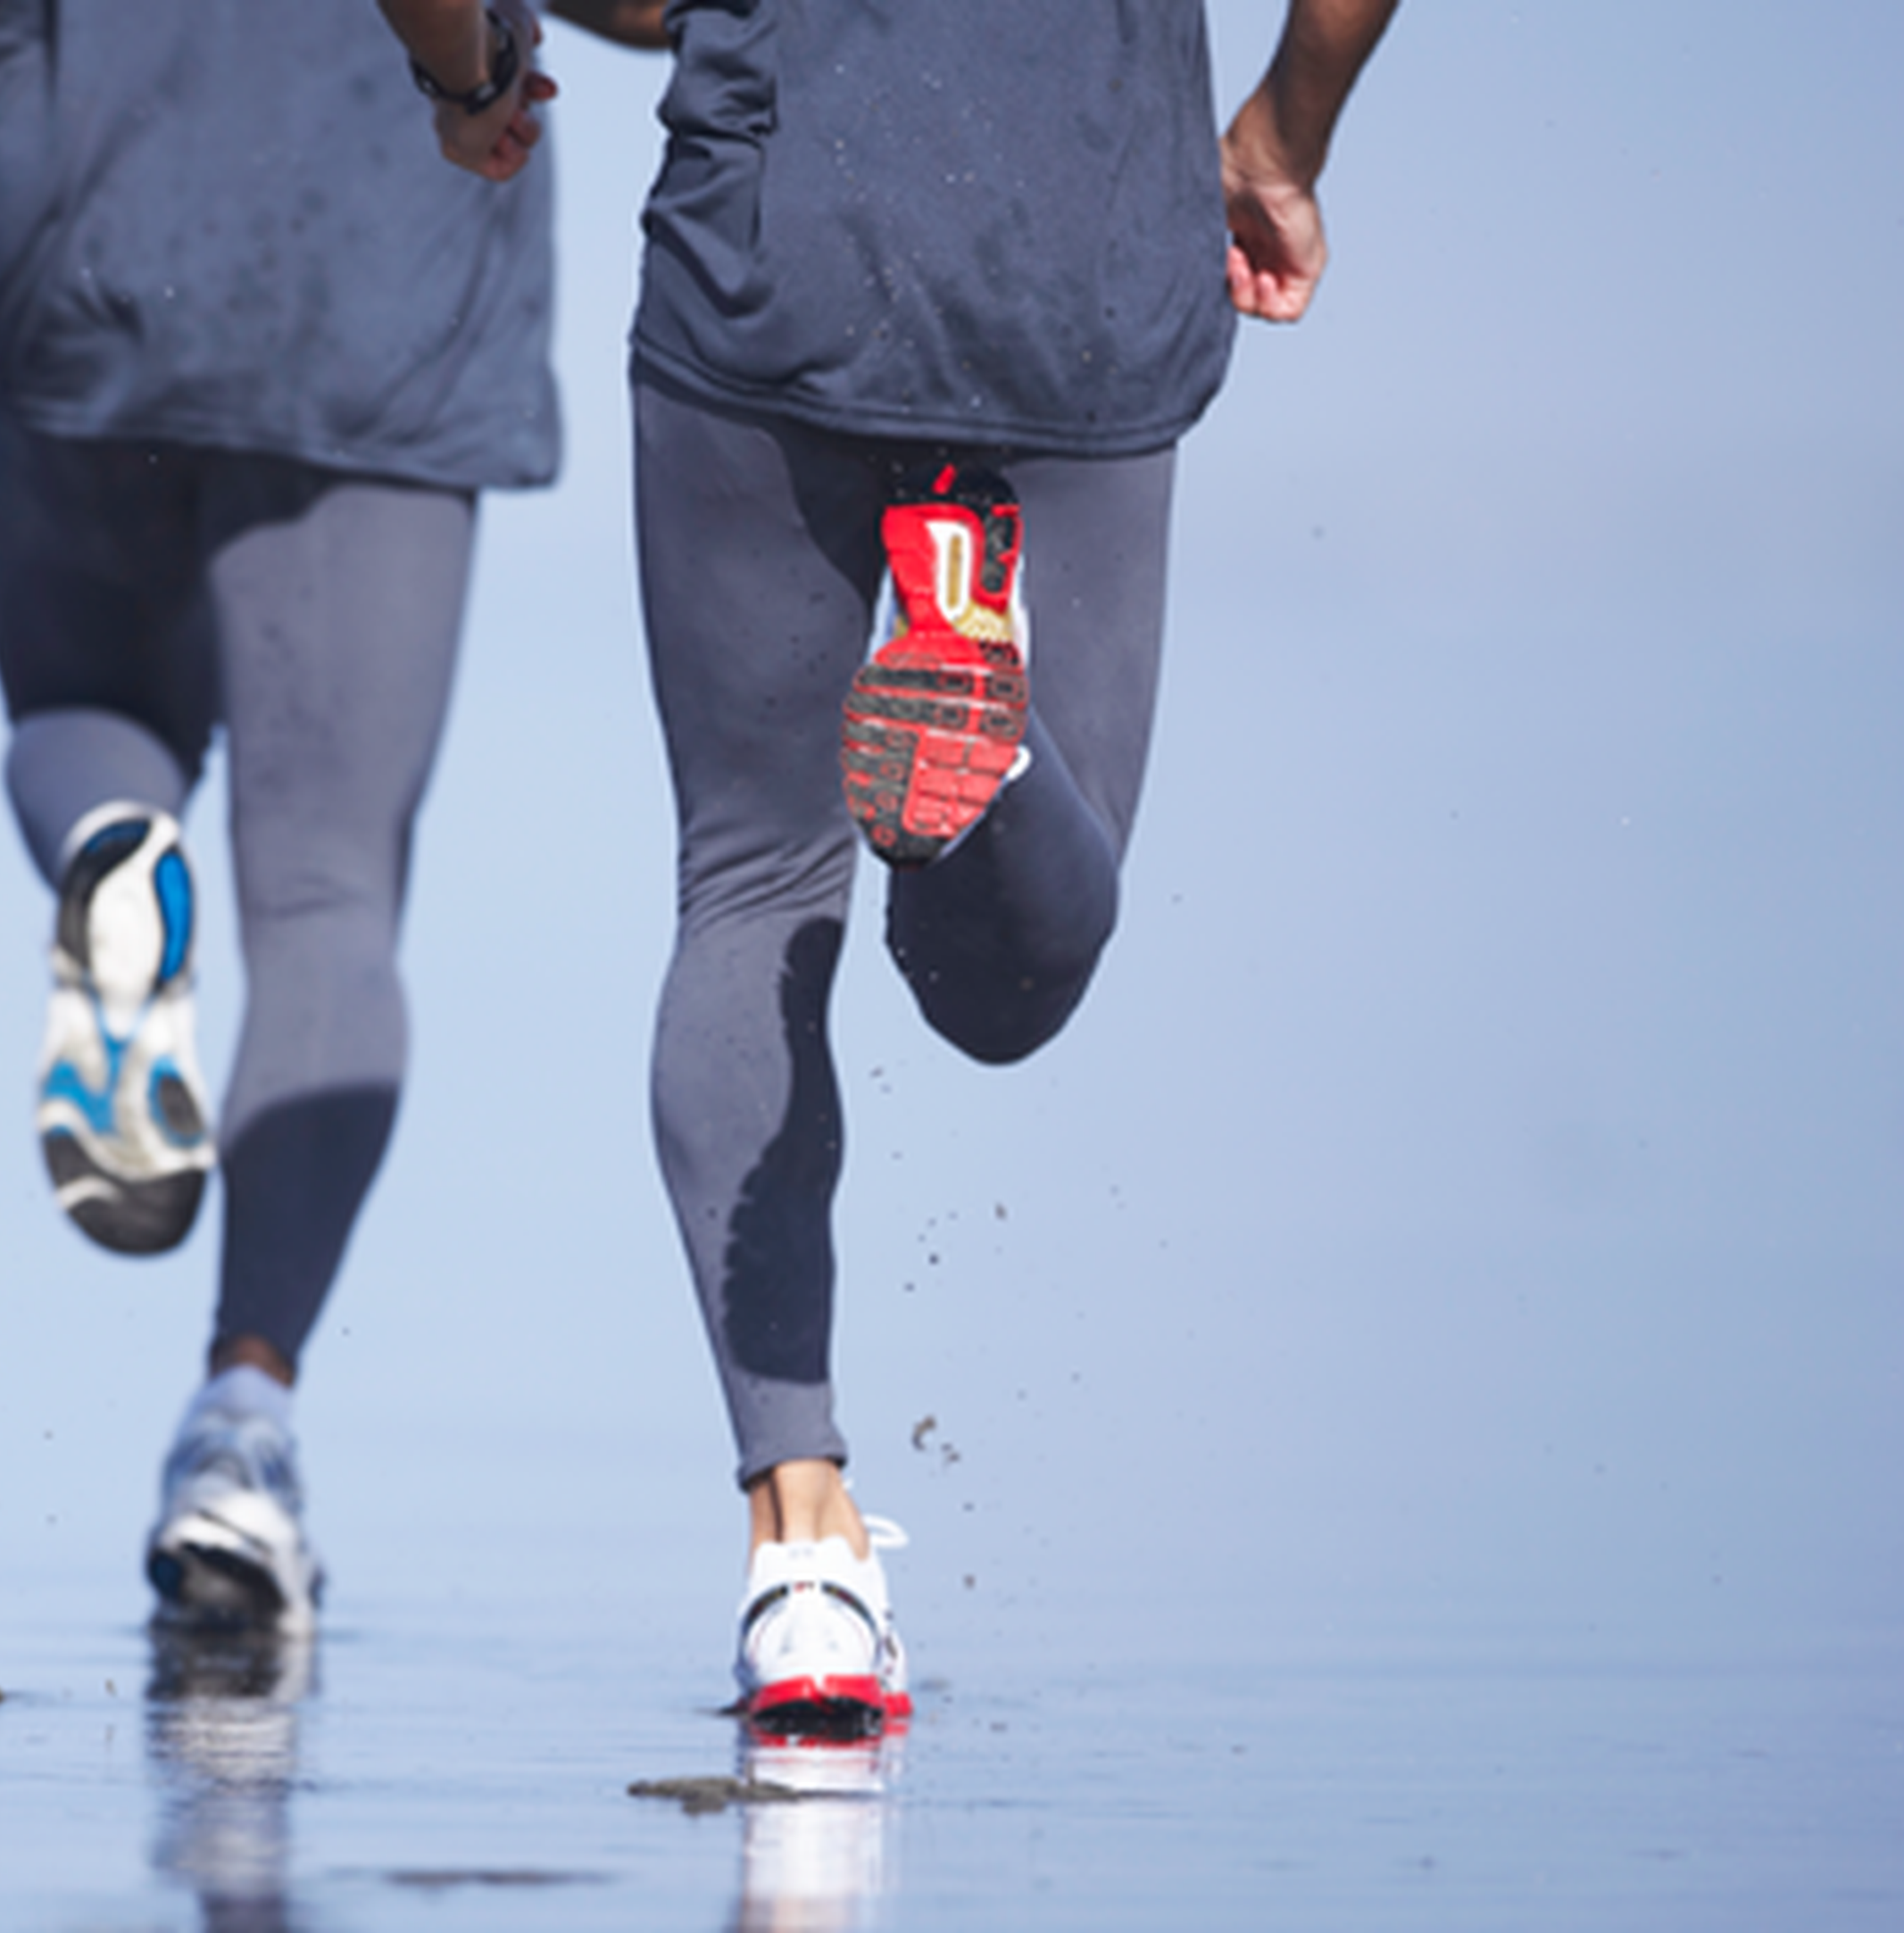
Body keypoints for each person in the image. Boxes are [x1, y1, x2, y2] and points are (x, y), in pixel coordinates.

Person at [378, 0, 1400, 1731]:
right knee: (1009, 990)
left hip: (771, 247)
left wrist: (469, 69)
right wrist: (1287, 127)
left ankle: (804, 1564)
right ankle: (978, 737)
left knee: (750, 888)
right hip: (1084, 245)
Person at [0, 3, 669, 1630]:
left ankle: (109, 849)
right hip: (392, 258)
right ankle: (241, 1426)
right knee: (330, 893)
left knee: (82, 719)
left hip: (91, 213)